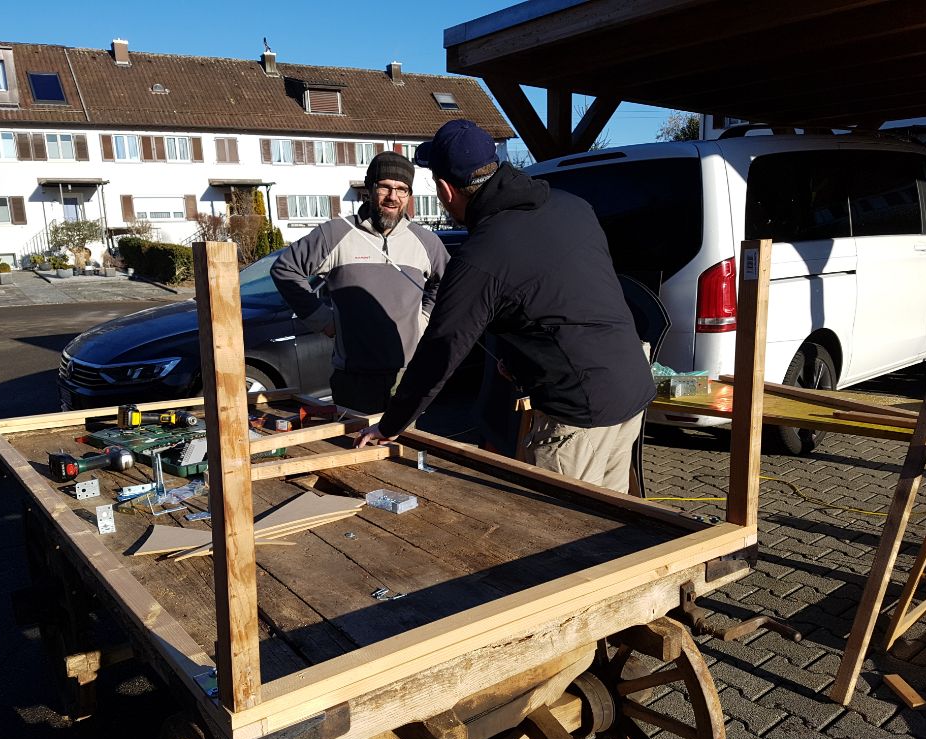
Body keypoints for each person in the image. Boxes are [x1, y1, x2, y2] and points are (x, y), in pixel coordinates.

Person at [356, 120, 656, 493]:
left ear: (445, 189)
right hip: (633, 383)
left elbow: (440, 350)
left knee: (562, 522)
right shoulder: (572, 206)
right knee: (610, 514)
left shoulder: (482, 256)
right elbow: (564, 297)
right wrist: (519, 358)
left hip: (578, 411)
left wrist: (390, 425)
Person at [271, 151, 449, 413]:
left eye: (402, 189)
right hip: (353, 379)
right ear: (370, 189)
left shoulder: (427, 242)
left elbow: (447, 285)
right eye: (385, 187)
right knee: (356, 439)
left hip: (408, 375)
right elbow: (285, 270)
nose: (393, 197)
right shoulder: (335, 234)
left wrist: (424, 318)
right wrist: (323, 320)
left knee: (405, 440)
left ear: (409, 195)